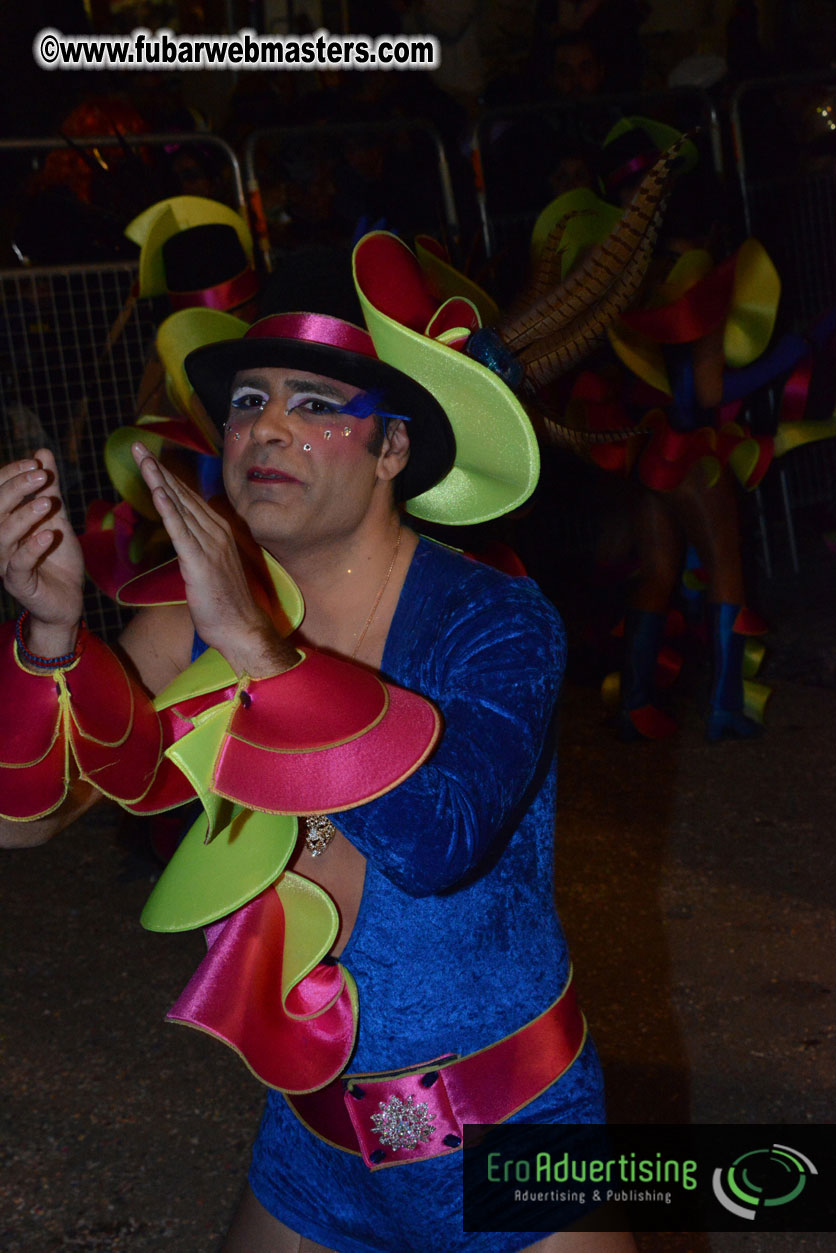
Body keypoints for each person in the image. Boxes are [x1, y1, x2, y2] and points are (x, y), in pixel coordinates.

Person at [0, 243, 640, 1249]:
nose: (267, 424)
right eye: (250, 397)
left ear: (393, 449)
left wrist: (262, 649)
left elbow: (440, 839)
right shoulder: (195, 615)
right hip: (309, 1147)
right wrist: (47, 635)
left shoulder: (495, 620)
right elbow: (28, 818)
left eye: (315, 403)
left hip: (508, 1133)